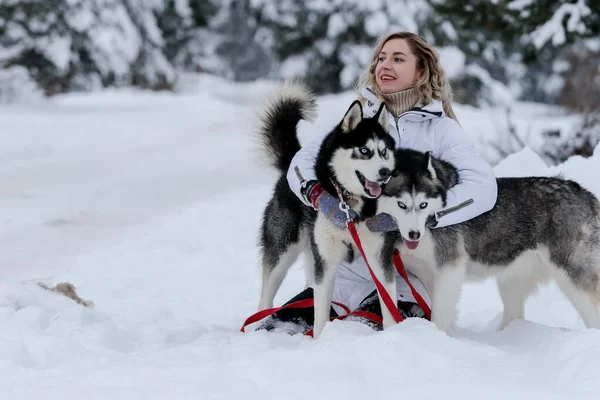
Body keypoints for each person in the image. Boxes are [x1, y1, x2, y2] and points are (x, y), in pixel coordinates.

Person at [257, 31, 498, 335]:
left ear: (421, 71)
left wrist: (420, 216)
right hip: (345, 278)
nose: (385, 64)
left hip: (406, 279)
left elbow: (483, 187)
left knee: (363, 344)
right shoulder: (362, 123)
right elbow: (301, 164)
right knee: (273, 336)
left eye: (398, 58)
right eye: (381, 58)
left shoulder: (441, 131)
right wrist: (318, 195)